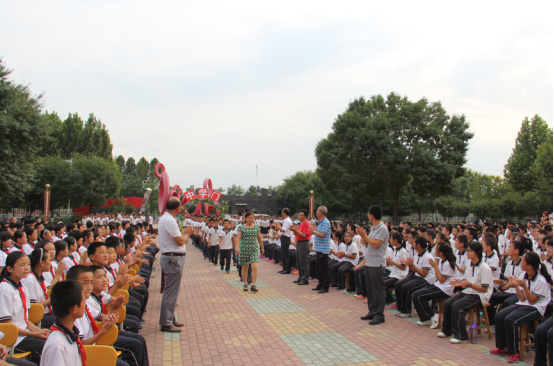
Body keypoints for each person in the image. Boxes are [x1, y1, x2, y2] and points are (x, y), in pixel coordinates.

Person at [490, 251, 552, 363]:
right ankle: (502, 347)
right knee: (499, 315)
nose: (521, 263)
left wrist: (523, 286)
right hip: (523, 304)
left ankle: (514, 352)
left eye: (523, 261)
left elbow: (532, 301)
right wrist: (516, 286)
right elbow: (522, 299)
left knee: (511, 319)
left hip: (536, 308)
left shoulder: (541, 281)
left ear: (530, 266)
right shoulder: (524, 275)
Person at [437, 242, 493, 344]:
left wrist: (469, 284)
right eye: (467, 250)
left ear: (478, 252)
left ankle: (462, 336)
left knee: (457, 306)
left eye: (469, 250)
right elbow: (466, 282)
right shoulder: (469, 265)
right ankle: (447, 330)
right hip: (469, 291)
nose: (467, 253)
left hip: (479, 295)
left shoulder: (485, 268)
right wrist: (459, 283)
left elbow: (484, 289)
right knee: (448, 303)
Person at [158, 197, 193, 332]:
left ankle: (170, 318)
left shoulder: (166, 219)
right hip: (173, 259)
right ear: (178, 208)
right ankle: (166, 322)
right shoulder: (169, 220)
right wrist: (187, 234)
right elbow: (179, 241)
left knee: (172, 291)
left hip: (173, 258)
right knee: (170, 291)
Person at [39, 280, 86, 366]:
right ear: (74, 308)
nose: (85, 305)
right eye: (83, 301)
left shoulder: (70, 335)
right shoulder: (57, 345)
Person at [356, 205, 389, 325]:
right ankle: (372, 311)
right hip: (370, 262)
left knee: (377, 290)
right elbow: (367, 244)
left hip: (377, 263)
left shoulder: (382, 228)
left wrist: (365, 236)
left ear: (371, 215)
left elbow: (376, 244)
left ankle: (380, 314)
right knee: (370, 290)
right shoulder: (374, 228)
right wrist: (362, 235)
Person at [236, 212, 265, 292]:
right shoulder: (241, 228)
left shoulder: (256, 227)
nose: (251, 219)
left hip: (254, 249)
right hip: (244, 249)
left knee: (254, 266)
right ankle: (245, 284)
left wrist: (262, 247)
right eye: (249, 218)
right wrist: (238, 248)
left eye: (252, 218)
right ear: (245, 218)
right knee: (245, 268)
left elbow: (259, 238)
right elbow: (238, 238)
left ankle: (253, 284)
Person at [309, 206, 332, 294]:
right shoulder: (321, 222)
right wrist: (313, 230)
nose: (316, 213)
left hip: (323, 249)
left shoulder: (325, 222)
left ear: (320, 213)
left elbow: (322, 234)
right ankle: (321, 284)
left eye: (317, 211)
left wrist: (313, 232)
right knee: (319, 268)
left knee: (323, 269)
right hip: (319, 248)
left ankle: (325, 287)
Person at [290, 209, 311, 286]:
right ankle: (301, 277)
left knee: (304, 262)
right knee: (299, 261)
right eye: (299, 215)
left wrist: (296, 230)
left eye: (301, 215)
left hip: (304, 243)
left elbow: (304, 235)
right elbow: (297, 234)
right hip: (299, 243)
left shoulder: (307, 224)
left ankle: (305, 278)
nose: (299, 216)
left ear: (305, 216)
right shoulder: (301, 224)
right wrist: (294, 230)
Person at [273, 209, 293, 275]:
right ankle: (284, 268)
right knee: (284, 253)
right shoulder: (285, 220)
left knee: (286, 254)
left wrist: (277, 224)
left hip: (286, 237)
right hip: (284, 237)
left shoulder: (287, 221)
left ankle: (287, 269)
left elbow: (283, 230)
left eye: (282, 212)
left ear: (284, 213)